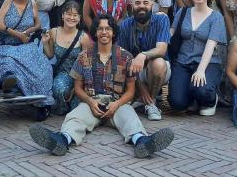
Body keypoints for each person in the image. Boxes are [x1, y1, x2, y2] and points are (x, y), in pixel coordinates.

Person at [29, 14, 174, 158]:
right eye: (100, 29)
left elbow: (130, 91)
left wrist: (116, 104)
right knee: (75, 118)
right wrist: (91, 102)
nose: (104, 32)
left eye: (108, 29)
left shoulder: (126, 57)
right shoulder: (84, 56)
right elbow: (78, 88)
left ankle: (142, 142)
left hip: (117, 103)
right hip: (92, 103)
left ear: (114, 32)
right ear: (95, 32)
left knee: (130, 118)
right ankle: (62, 140)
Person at [168, 0, 227, 115]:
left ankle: (210, 100)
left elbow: (211, 45)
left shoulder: (216, 17)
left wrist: (200, 70)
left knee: (202, 89)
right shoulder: (182, 13)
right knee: (177, 103)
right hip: (183, 62)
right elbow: (171, 34)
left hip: (208, 63)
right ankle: (192, 98)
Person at [118, 0, 170, 121]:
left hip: (159, 70)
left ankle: (151, 103)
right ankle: (142, 98)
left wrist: (143, 55)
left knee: (158, 63)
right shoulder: (125, 25)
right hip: (134, 72)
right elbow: (124, 59)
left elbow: (162, 50)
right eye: (138, 3)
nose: (142, 6)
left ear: (152, 5)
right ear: (131, 6)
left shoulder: (162, 19)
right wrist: (141, 88)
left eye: (145, 3)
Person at [41, 1, 90, 115]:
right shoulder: (54, 32)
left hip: (79, 75)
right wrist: (45, 43)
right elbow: (50, 55)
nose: (71, 18)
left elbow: (87, 65)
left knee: (78, 108)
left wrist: (79, 86)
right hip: (63, 73)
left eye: (75, 15)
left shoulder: (83, 37)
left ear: (79, 18)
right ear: (63, 15)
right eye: (68, 14)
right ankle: (62, 108)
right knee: (58, 89)